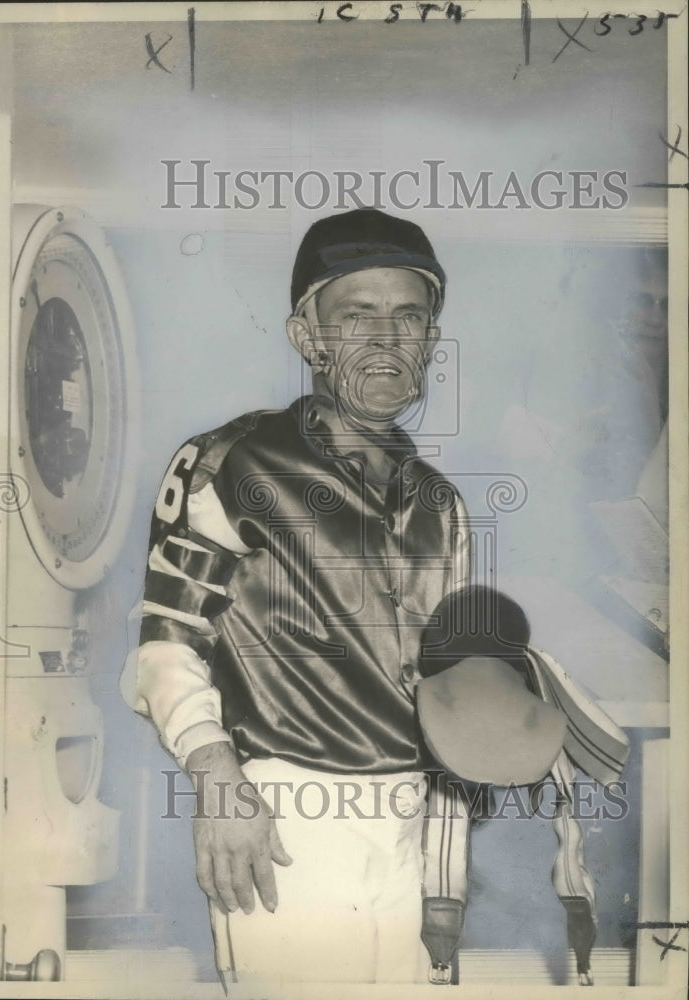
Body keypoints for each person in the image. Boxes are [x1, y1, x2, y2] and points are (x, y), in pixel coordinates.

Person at [121, 209, 627, 988]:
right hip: (285, 811)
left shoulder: (440, 503)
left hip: (409, 821)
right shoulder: (228, 461)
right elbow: (166, 642)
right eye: (356, 317)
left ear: (430, 340)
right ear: (306, 336)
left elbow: (439, 682)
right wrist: (218, 781)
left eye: (409, 318)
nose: (386, 340)